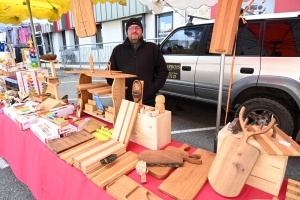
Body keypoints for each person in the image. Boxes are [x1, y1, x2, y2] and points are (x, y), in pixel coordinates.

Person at [107, 18, 169, 107]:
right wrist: (118, 89)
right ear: (127, 31)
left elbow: (163, 71)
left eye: (137, 28)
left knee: (147, 121)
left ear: (142, 31)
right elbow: (110, 73)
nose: (134, 30)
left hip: (147, 101)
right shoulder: (118, 50)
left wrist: (152, 89)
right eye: (131, 28)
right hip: (124, 101)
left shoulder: (152, 48)